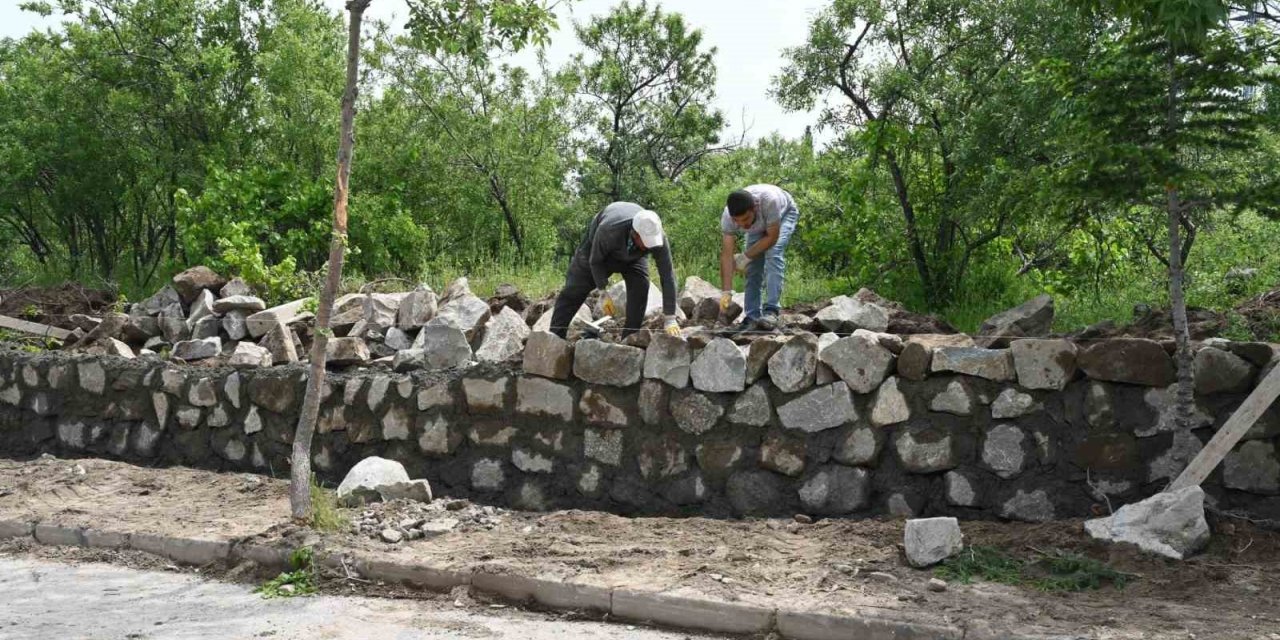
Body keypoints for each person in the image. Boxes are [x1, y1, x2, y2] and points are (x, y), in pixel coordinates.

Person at [549, 202, 681, 340]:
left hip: (634, 256)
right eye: (647, 242)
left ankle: (629, 339)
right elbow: (595, 261)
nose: (651, 246)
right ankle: (554, 337)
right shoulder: (609, 230)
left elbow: (668, 275)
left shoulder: (657, 237)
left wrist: (670, 317)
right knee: (575, 288)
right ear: (635, 234)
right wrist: (602, 291)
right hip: (598, 250)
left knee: (641, 285)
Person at [719, 184, 800, 331]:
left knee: (773, 254)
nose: (744, 225)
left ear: (754, 208)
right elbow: (726, 255)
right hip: (761, 223)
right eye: (739, 221)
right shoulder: (728, 218)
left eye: (746, 218)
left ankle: (771, 311)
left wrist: (743, 258)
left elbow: (771, 239)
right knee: (753, 266)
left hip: (784, 214)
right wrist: (726, 292)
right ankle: (752, 316)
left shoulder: (770, 202)